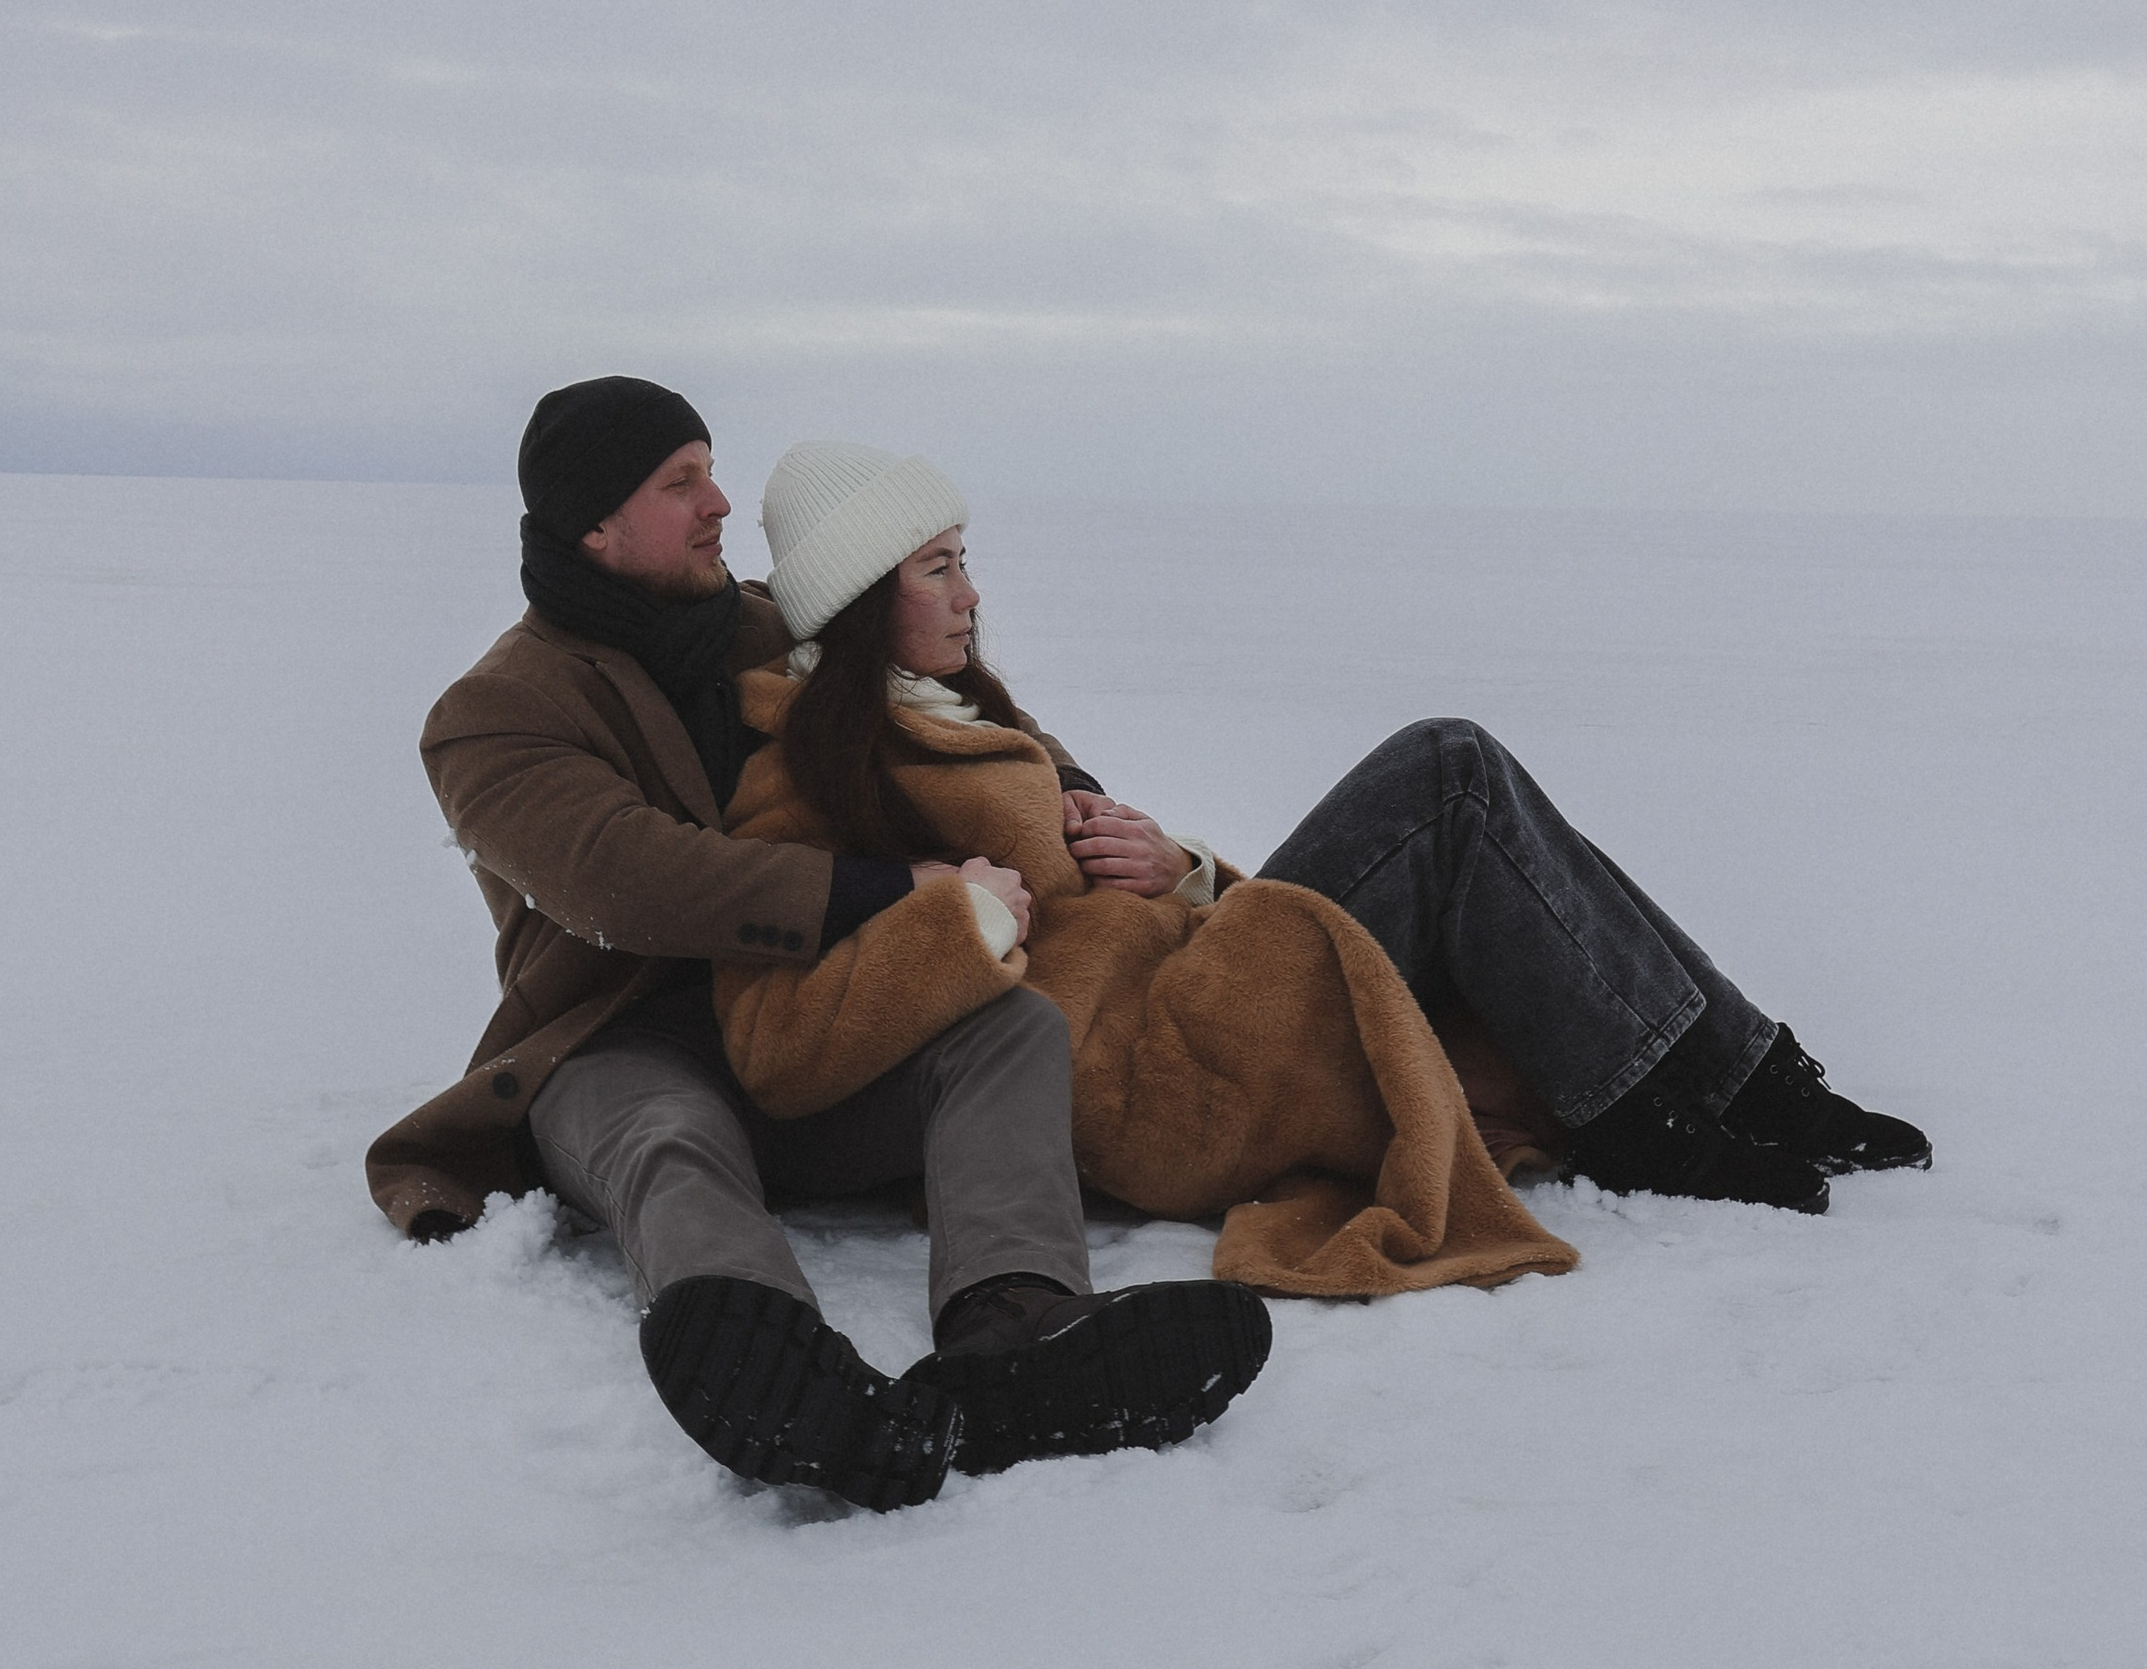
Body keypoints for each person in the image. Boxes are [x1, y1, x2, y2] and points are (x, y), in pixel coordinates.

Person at [367, 378, 1272, 1513]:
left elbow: (943, 697)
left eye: (711, 471)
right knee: (667, 1134)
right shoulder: (496, 712)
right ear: (594, 526)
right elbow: (625, 878)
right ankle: (773, 1367)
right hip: (620, 1038)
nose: (718, 503)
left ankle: (1018, 1326)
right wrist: (896, 889)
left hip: (815, 1021)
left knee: (1007, 1030)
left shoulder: (766, 624)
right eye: (680, 483)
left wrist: (1074, 796)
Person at [733, 442, 1930, 1229]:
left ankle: (1744, 1079)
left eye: (965, 562)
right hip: (1155, 1083)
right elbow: (778, 1048)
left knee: (1484, 809)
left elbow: (1125, 897)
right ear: (860, 599)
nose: (971, 593)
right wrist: (960, 919)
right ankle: (1659, 1115)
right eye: (937, 569)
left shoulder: (962, 715)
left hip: (1203, 1000)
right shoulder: (809, 766)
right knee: (1449, 774)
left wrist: (1182, 871)